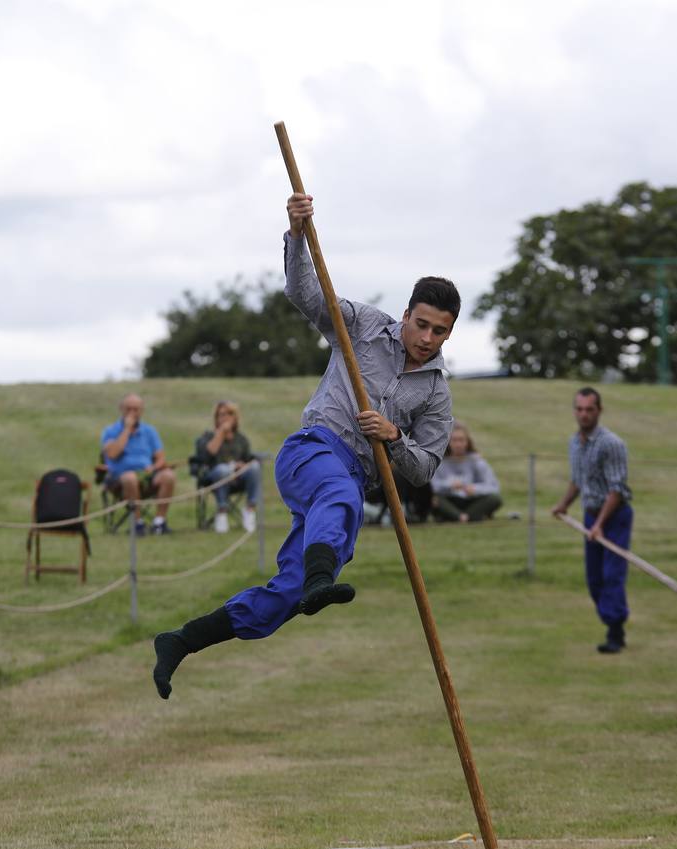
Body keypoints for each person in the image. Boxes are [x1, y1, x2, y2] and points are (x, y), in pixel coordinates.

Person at [150, 191, 457, 699]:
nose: (426, 338)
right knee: (337, 494)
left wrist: (395, 437)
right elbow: (305, 296)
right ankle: (319, 576)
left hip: (351, 486)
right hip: (312, 451)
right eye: (421, 324)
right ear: (405, 314)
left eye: (439, 332)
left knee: (285, 597)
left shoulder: (437, 393)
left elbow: (424, 468)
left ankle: (182, 640)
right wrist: (296, 235)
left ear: (449, 334)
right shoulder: (360, 325)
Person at [551, 387, 634, 654]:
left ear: (599, 411)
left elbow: (617, 490)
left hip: (614, 517)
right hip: (591, 517)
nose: (584, 414)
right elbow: (579, 480)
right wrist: (564, 505)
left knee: (612, 575)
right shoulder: (575, 443)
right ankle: (612, 622)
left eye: (589, 409)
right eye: (579, 409)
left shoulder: (611, 444)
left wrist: (600, 524)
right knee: (594, 579)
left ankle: (615, 630)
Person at [101, 393, 176, 535]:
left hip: (147, 475)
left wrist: (153, 467)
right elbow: (112, 454)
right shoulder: (110, 431)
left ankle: (159, 522)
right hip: (119, 478)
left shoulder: (150, 431)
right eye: (128, 409)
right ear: (121, 409)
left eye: (136, 409)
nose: (132, 413)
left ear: (142, 411)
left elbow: (161, 458)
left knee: (168, 476)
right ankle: (137, 523)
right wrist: (127, 430)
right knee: (130, 477)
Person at [193, 400, 261, 534]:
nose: (224, 418)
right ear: (216, 418)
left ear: (235, 417)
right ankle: (222, 511)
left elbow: (248, 459)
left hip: (238, 477)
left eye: (229, 414)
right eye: (221, 415)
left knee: (254, 467)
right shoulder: (207, 436)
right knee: (222, 470)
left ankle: (249, 510)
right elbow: (207, 456)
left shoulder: (241, 439)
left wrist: (243, 465)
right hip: (214, 477)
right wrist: (221, 433)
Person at [431, 423, 502, 523]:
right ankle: (463, 517)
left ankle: (460, 516)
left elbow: (494, 487)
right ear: (448, 442)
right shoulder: (440, 461)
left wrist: (475, 489)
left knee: (495, 499)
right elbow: (432, 486)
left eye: (461, 440)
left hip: (471, 499)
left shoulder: (477, 461)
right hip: (450, 498)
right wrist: (449, 485)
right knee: (434, 499)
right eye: (454, 440)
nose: (458, 444)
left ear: (467, 442)